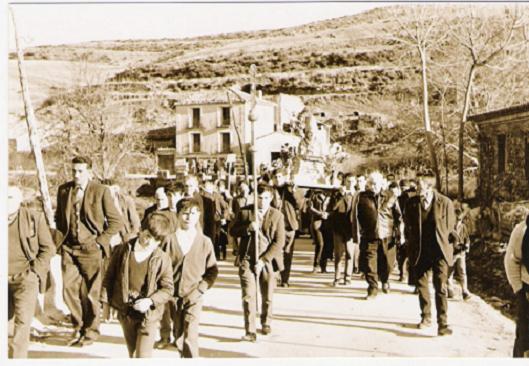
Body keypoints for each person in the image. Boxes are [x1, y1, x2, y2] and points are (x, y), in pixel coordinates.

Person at [55, 156, 123, 346]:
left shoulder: (100, 191)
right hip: (69, 248)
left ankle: (91, 332)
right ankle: (78, 327)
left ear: (89, 172)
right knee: (68, 290)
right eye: (73, 171)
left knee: (92, 293)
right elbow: (59, 218)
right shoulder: (64, 190)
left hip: (91, 250)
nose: (76, 175)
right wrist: (59, 242)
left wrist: (100, 242)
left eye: (80, 171)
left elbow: (117, 222)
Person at [104, 213, 174, 358]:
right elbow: (109, 278)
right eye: (148, 235)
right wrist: (106, 305)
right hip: (126, 312)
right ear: (141, 230)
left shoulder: (162, 258)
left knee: (143, 356)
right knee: (132, 353)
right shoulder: (122, 250)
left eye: (156, 240)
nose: (149, 242)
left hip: (148, 316)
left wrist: (150, 301)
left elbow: (168, 289)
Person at [403, 172, 456, 336]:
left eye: (419, 184)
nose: (416, 187)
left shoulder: (445, 202)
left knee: (440, 287)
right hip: (420, 251)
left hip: (439, 252)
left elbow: (450, 228)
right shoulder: (411, 203)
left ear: (429, 186)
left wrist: (452, 248)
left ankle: (443, 323)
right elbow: (408, 227)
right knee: (422, 285)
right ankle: (426, 316)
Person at [230, 184, 285, 342]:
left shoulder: (277, 216)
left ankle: (266, 322)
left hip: (267, 260)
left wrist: (263, 260)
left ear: (271, 198)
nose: (262, 201)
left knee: (267, 294)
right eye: (259, 198)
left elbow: (279, 242)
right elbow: (232, 231)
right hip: (247, 258)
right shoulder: (246, 212)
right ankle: (250, 330)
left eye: (266, 198)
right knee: (248, 295)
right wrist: (248, 227)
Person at [164, 198, 218, 357]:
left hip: (194, 295)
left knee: (190, 335)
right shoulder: (169, 240)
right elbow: (161, 267)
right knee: (179, 335)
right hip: (173, 296)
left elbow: (212, 270)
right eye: (185, 213)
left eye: (193, 214)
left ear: (198, 215)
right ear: (177, 215)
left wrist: (201, 288)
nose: (188, 217)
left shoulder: (204, 242)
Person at [8, 186, 55, 358]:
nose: (6, 202)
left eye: (10, 197)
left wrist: (34, 272)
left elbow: (48, 248)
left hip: (25, 279)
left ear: (19, 200)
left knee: (22, 324)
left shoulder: (34, 218)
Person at [352, 171, 403, 298]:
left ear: (381, 184)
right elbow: (354, 217)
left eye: (376, 183)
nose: (373, 186)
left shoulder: (391, 196)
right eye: (371, 183)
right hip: (369, 236)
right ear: (368, 184)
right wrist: (356, 234)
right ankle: (372, 288)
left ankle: (385, 280)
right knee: (370, 263)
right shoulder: (361, 197)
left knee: (387, 263)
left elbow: (399, 217)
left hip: (387, 235)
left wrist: (401, 233)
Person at [504, 213, 529, 357]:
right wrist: (519, 289)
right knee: (524, 339)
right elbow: (511, 260)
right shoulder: (522, 230)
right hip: (527, 291)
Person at [272, 168, 299, 287]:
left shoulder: (289, 190)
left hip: (289, 226)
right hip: (275, 226)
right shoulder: (270, 191)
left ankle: (285, 279)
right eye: (275, 177)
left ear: (283, 177)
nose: (278, 179)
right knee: (275, 251)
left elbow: (298, 204)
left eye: (279, 177)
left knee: (288, 253)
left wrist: (293, 192)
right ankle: (275, 275)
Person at [330, 174, 356, 285]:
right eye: (348, 181)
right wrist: (341, 196)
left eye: (352, 181)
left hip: (351, 229)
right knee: (338, 254)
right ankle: (337, 277)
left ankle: (348, 277)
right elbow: (333, 208)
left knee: (350, 254)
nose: (350, 183)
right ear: (344, 181)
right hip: (338, 228)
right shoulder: (336, 194)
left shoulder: (357, 195)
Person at [447, 208, 472, 301]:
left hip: (461, 253)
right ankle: (450, 290)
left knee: (462, 272)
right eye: (457, 219)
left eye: (460, 219)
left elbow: (467, 239)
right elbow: (446, 239)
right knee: (449, 273)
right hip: (451, 253)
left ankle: (464, 291)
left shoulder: (463, 227)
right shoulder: (450, 227)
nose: (458, 221)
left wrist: (466, 246)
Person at [308, 190, 332, 274]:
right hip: (317, 222)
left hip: (328, 223)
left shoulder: (331, 194)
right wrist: (320, 213)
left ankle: (324, 266)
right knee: (320, 244)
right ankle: (316, 265)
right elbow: (310, 208)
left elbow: (334, 207)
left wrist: (328, 214)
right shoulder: (314, 195)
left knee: (326, 244)